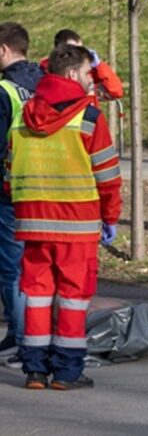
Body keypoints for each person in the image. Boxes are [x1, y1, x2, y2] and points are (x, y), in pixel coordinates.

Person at [5, 44, 122, 390]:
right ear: (72, 74)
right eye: (88, 73)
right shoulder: (88, 117)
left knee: (37, 296)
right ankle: (67, 372)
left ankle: (35, 371)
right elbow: (107, 177)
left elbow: (9, 174)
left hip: (32, 223)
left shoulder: (23, 115)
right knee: (72, 297)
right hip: (76, 223)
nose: (91, 80)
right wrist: (110, 217)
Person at [0, 22, 43, 359]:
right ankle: (36, 334)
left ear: (3, 49)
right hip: (45, 188)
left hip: (10, 189)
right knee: (37, 268)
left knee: (12, 268)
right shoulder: (45, 84)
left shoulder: (5, 90)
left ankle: (21, 336)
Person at [39, 28, 124, 107]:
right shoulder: (45, 76)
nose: (79, 54)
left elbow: (115, 92)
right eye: (74, 50)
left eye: (81, 50)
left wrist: (98, 65)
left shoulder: (86, 74)